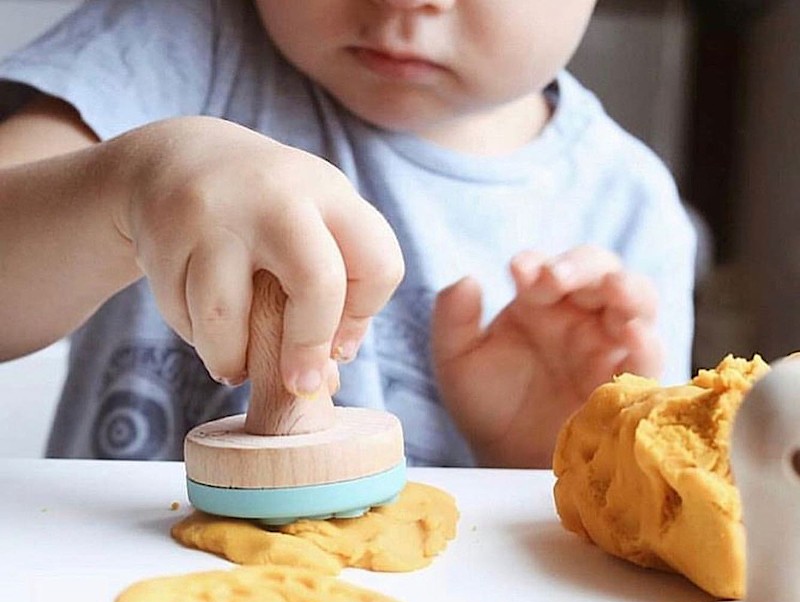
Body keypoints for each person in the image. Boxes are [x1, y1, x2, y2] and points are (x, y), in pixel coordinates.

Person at [0, 0, 695, 468]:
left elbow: (611, 544)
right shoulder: (173, 45)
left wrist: (543, 456)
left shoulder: (630, 208)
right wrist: (128, 188)